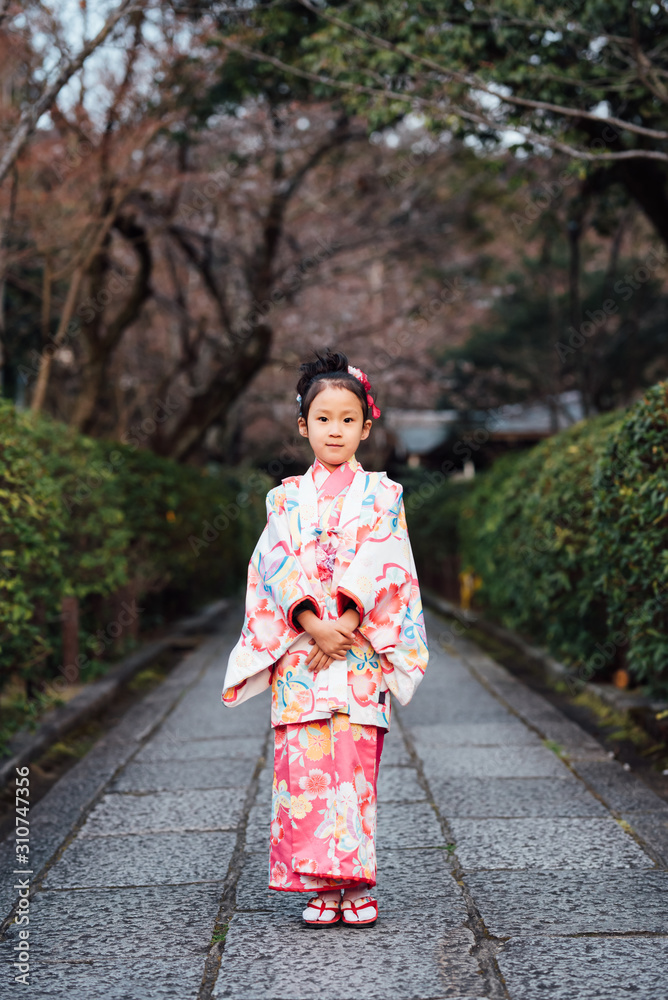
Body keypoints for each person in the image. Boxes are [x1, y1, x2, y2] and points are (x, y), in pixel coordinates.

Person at [221, 347, 428, 927]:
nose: (334, 431)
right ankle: (321, 883)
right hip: (303, 653)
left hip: (358, 653)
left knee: (354, 767)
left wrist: (348, 623)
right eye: (322, 419)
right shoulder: (283, 498)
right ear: (302, 425)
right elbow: (273, 565)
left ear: (366, 426)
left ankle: (355, 884)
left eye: (346, 420)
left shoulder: (384, 496)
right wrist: (312, 621)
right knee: (308, 773)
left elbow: (391, 561)